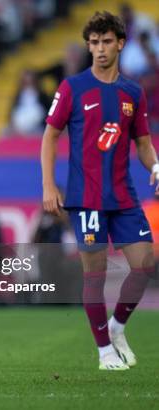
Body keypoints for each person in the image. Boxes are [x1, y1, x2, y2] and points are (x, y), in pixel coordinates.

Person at [41, 12, 158, 371]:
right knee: (95, 274)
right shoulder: (72, 88)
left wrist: (154, 165)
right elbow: (50, 136)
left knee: (145, 265)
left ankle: (118, 327)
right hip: (86, 197)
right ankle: (104, 350)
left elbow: (142, 141)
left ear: (120, 44)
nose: (99, 49)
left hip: (124, 196)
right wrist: (48, 186)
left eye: (106, 41)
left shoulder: (131, 93)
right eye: (93, 42)